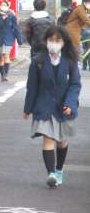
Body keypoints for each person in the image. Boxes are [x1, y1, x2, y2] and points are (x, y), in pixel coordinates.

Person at [23, 25, 80, 188]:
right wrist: (27, 108)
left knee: (61, 141)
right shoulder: (38, 61)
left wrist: (70, 103)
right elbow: (32, 86)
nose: (53, 43)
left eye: (57, 40)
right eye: (51, 39)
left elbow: (75, 84)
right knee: (48, 138)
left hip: (64, 107)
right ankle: (51, 174)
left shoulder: (70, 61)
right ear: (46, 41)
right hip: (44, 106)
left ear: (63, 42)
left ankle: (59, 170)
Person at [0, 0, 22, 82]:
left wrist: (19, 39)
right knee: (0, 57)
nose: (3, 6)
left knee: (6, 55)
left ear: (8, 6)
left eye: (5, 5)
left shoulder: (12, 16)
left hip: (8, 39)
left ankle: (6, 74)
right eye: (2, 4)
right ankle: (2, 74)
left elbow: (16, 28)